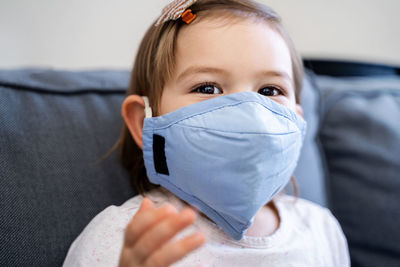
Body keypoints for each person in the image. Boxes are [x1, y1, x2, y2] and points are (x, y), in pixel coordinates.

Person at [63, 0, 350, 266]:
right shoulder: (123, 237)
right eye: (207, 88)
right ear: (143, 122)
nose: (248, 113)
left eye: (270, 91)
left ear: (297, 123)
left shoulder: (321, 230)